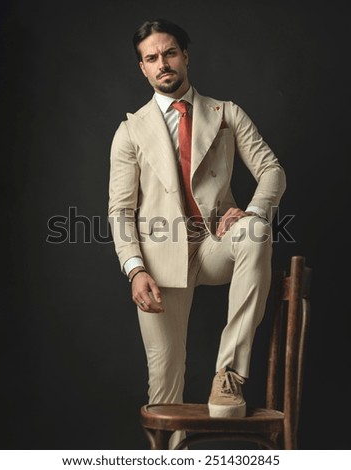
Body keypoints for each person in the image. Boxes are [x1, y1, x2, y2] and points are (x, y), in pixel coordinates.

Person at [108, 18, 286, 444]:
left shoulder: (227, 113)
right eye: (151, 58)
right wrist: (134, 269)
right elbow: (120, 210)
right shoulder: (131, 131)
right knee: (164, 384)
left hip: (214, 243)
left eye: (169, 53)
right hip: (158, 259)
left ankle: (228, 374)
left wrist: (252, 211)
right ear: (143, 69)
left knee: (257, 233)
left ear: (185, 56)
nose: (162, 63)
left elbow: (272, 171)